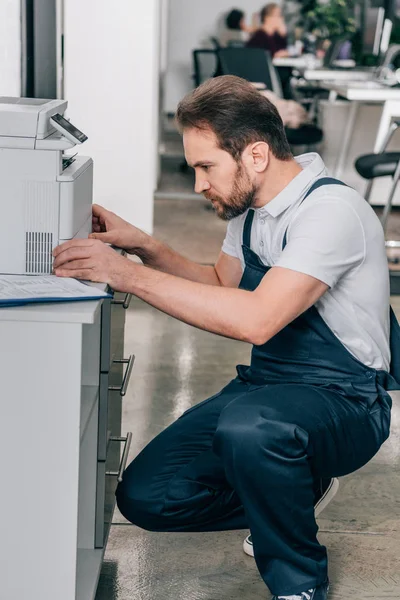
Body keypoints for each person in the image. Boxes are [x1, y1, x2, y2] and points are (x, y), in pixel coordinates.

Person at [52, 75, 400, 600]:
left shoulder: (330, 212)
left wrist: (126, 276)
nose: (198, 184)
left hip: (345, 400)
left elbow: (257, 319)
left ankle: (299, 584)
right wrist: (142, 246)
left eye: (205, 167)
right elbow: (220, 284)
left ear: (255, 155)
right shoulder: (251, 210)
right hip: (269, 390)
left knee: (251, 428)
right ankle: (291, 489)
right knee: (148, 496)